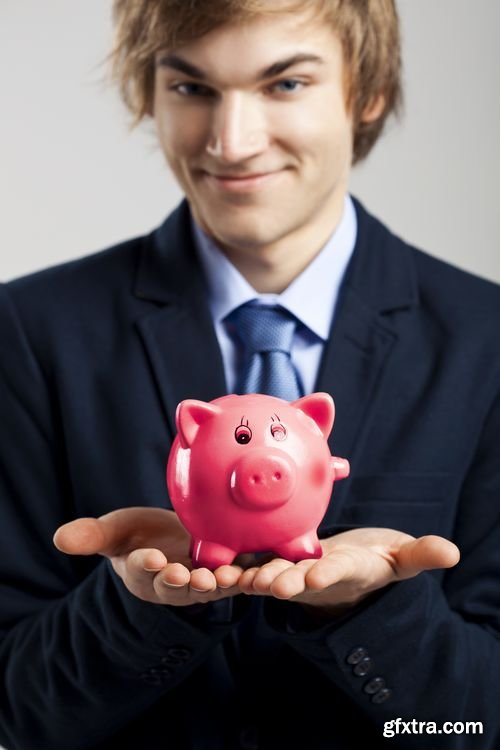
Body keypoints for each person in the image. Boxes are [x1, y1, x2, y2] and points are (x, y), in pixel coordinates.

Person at [0, 1, 499, 748]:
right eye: (192, 88)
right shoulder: (29, 331)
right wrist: (142, 607)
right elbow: (15, 712)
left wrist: (362, 610)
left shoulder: (485, 341)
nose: (231, 143)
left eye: (285, 85)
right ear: (151, 94)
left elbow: (481, 723)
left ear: (366, 92)